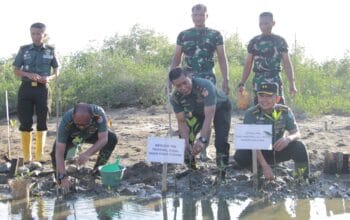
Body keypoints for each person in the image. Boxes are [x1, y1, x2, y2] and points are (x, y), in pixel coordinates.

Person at [170, 4, 230, 160]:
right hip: (186, 81)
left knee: (208, 113)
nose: (198, 18)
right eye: (195, 15)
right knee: (189, 114)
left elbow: (222, 57)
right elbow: (177, 58)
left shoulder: (215, 34)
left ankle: (204, 149)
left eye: (201, 15)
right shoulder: (183, 35)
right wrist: (171, 79)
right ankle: (188, 145)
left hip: (208, 80)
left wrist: (226, 79)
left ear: (206, 16)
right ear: (192, 16)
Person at [233, 83, 309, 180]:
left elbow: (297, 133)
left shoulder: (284, 111)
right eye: (261, 96)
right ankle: (259, 171)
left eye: (269, 96)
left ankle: (302, 180)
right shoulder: (251, 114)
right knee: (241, 154)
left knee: (299, 146)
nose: (264, 100)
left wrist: (288, 139)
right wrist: (265, 166)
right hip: (258, 152)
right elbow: (252, 143)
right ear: (257, 97)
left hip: (276, 150)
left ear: (277, 98)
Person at [169, 67, 232, 178]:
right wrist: (185, 142)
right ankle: (192, 169)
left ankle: (222, 173)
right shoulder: (175, 98)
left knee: (221, 141)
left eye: (185, 83)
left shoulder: (204, 86)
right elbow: (181, 121)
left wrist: (202, 140)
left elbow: (209, 117)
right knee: (186, 140)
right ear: (174, 86)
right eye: (178, 86)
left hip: (220, 108)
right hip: (197, 111)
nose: (183, 88)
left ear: (190, 77)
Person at [13, 22, 60, 162]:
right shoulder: (24, 49)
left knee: (42, 121)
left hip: (42, 90)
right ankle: (27, 158)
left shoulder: (51, 50)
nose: (35, 36)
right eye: (33, 33)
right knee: (25, 122)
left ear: (44, 35)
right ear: (30, 34)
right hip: (26, 88)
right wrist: (28, 74)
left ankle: (39, 157)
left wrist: (49, 78)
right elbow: (16, 70)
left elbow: (57, 70)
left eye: (38, 33)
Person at [50, 103, 117, 192]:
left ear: (91, 117)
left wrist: (87, 154)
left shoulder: (98, 114)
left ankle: (97, 171)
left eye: (85, 124)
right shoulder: (66, 120)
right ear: (73, 117)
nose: (81, 127)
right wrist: (63, 177)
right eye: (78, 124)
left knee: (112, 138)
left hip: (92, 134)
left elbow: (103, 139)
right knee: (55, 152)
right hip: (72, 137)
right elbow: (59, 152)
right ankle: (60, 180)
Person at [238, 12, 297, 105]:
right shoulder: (254, 42)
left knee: (278, 109)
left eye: (266, 23)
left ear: (273, 23)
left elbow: (287, 63)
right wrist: (242, 83)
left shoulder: (280, 41)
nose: (263, 26)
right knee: (259, 109)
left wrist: (292, 84)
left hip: (275, 80)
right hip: (259, 80)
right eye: (261, 24)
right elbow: (248, 63)